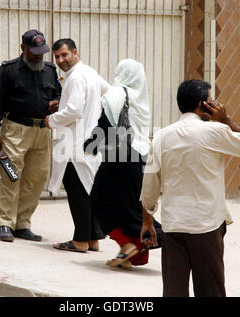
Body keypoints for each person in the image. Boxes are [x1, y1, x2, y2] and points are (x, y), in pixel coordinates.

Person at [140, 79, 240, 297]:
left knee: (173, 291)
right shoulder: (214, 131)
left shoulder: (161, 136)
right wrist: (226, 120)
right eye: (210, 100)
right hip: (206, 226)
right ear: (201, 104)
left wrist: (147, 219)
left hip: (173, 226)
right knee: (210, 290)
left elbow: (149, 183)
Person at [84, 59, 162, 270]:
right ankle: (131, 255)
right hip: (140, 157)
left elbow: (105, 123)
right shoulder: (142, 97)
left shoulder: (116, 93)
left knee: (99, 200)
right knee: (130, 206)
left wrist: (90, 145)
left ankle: (127, 245)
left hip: (119, 157)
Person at [0, 30, 61, 242]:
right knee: (11, 176)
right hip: (15, 130)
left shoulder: (49, 70)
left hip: (42, 131)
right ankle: (4, 223)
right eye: (34, 52)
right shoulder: (8, 71)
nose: (39, 56)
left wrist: (58, 101)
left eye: (42, 52)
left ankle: (22, 223)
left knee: (36, 179)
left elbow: (59, 92)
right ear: (23, 49)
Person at [45, 39, 110, 253]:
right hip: (89, 143)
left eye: (64, 55)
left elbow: (74, 111)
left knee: (78, 193)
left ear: (75, 52)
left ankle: (80, 240)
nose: (61, 60)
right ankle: (93, 239)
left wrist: (51, 119)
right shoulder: (90, 73)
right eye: (57, 57)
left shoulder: (75, 77)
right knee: (88, 190)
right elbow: (108, 94)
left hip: (74, 145)